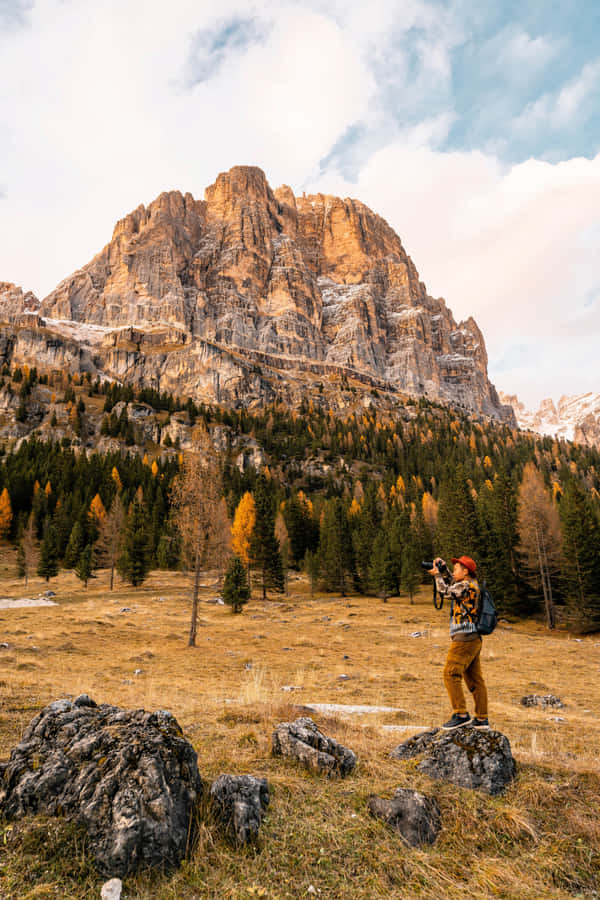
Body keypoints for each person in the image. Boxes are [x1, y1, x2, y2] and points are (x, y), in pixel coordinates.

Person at [429, 555, 489, 730]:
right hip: (473, 637)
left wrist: (437, 576)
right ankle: (481, 718)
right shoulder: (471, 585)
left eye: (456, 569)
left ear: (466, 571)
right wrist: (444, 570)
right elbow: (453, 584)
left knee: (450, 673)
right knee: (474, 679)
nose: (454, 572)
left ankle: (461, 714)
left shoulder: (466, 585)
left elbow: (446, 592)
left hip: (464, 637)